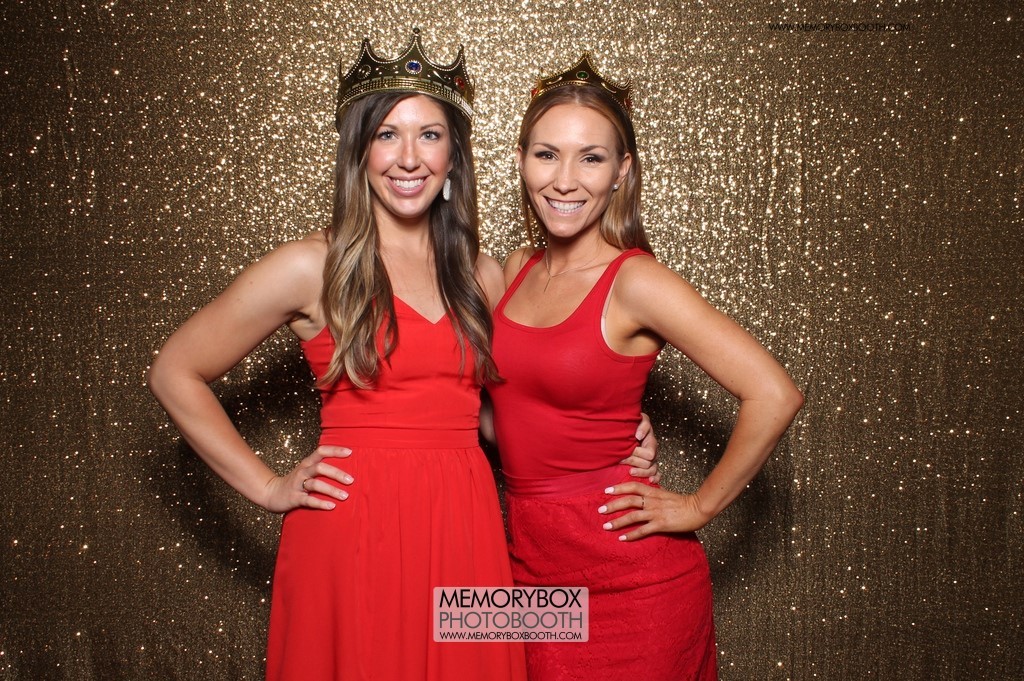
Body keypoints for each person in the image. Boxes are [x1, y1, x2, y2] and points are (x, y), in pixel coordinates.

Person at [148, 30, 529, 681]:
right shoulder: (311, 266)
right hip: (353, 530)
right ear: (358, 151)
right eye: (386, 135)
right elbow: (174, 371)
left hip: (465, 528)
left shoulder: (480, 273)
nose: (408, 157)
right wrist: (268, 486)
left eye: (429, 135)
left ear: (453, 156)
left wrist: (608, 435)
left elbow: (497, 414)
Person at [486, 55, 805, 680]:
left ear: (622, 171)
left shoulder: (635, 281)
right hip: (528, 565)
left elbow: (774, 392)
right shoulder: (515, 269)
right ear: (521, 160)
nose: (565, 180)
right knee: (438, 626)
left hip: (633, 582)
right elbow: (504, 415)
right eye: (547, 155)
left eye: (591, 158)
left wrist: (697, 508)